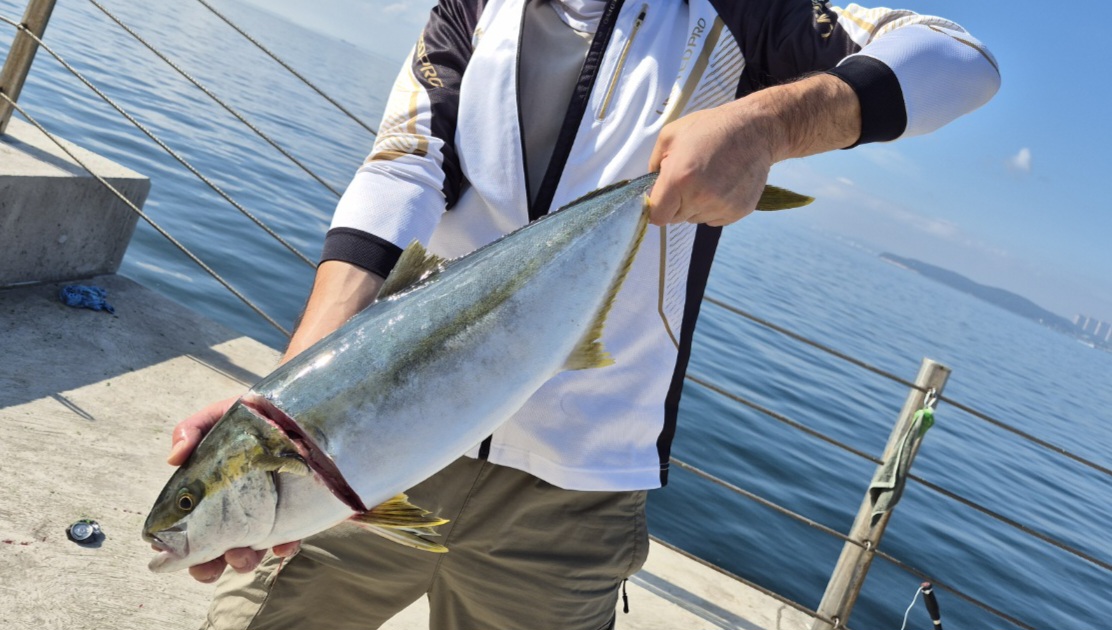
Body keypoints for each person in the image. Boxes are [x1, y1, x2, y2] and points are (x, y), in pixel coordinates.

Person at [169, 1, 1000, 628]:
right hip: (375, 441)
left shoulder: (745, 11)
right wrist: (286, 406)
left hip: (574, 499)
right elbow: (402, 170)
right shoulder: (472, 5)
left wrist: (768, 125)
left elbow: (959, 61)